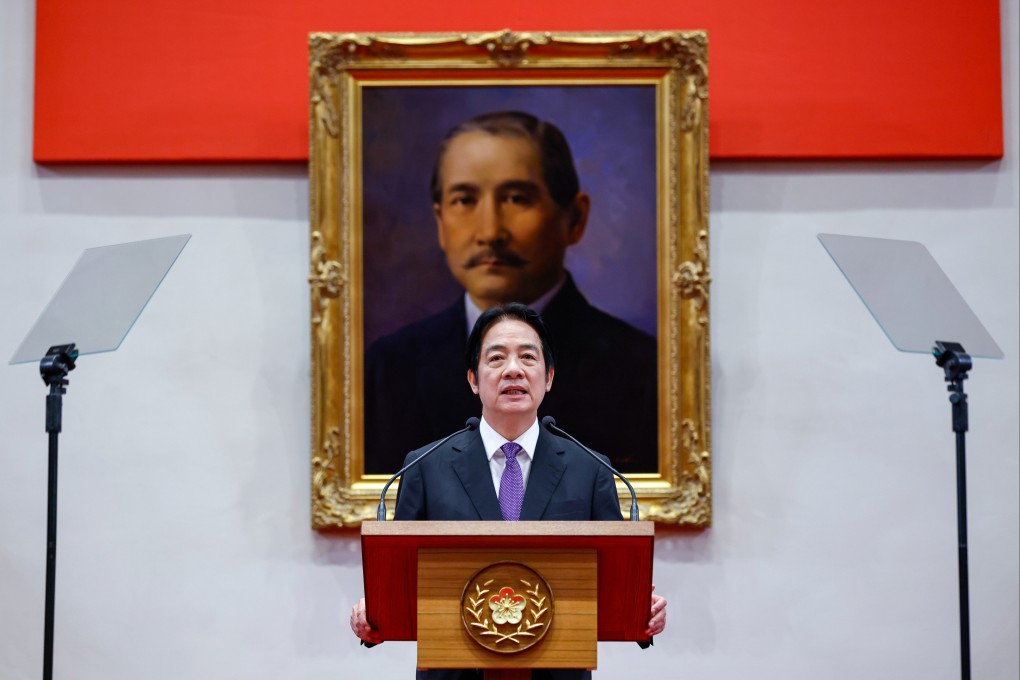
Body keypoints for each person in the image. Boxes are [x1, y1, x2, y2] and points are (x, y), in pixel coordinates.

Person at [351, 304, 667, 679]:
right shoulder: (426, 466)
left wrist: (641, 611)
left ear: (549, 377)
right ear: (473, 379)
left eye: (528, 357)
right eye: (496, 358)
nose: (513, 370)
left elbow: (614, 586)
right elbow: (399, 584)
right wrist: (374, 614)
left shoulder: (590, 468)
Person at [364, 111, 658, 477]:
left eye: (517, 198)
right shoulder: (387, 370)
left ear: (574, 219)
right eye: (464, 200)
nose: (490, 232)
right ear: (440, 222)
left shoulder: (643, 372)